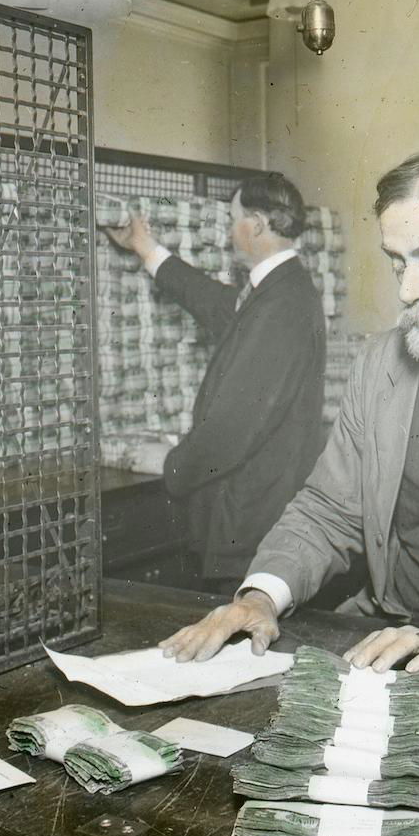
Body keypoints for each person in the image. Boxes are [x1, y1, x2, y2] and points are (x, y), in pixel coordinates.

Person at [158, 143, 419, 692]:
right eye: (397, 261)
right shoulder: (382, 363)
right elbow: (329, 508)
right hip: (387, 646)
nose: (406, 290)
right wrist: (260, 595)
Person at [106, 174, 327, 594]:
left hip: (248, 524)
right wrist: (145, 248)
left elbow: (232, 429)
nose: (228, 230)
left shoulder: (281, 306)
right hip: (254, 517)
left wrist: (170, 462)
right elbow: (218, 304)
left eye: (233, 218)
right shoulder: (281, 290)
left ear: (257, 225)